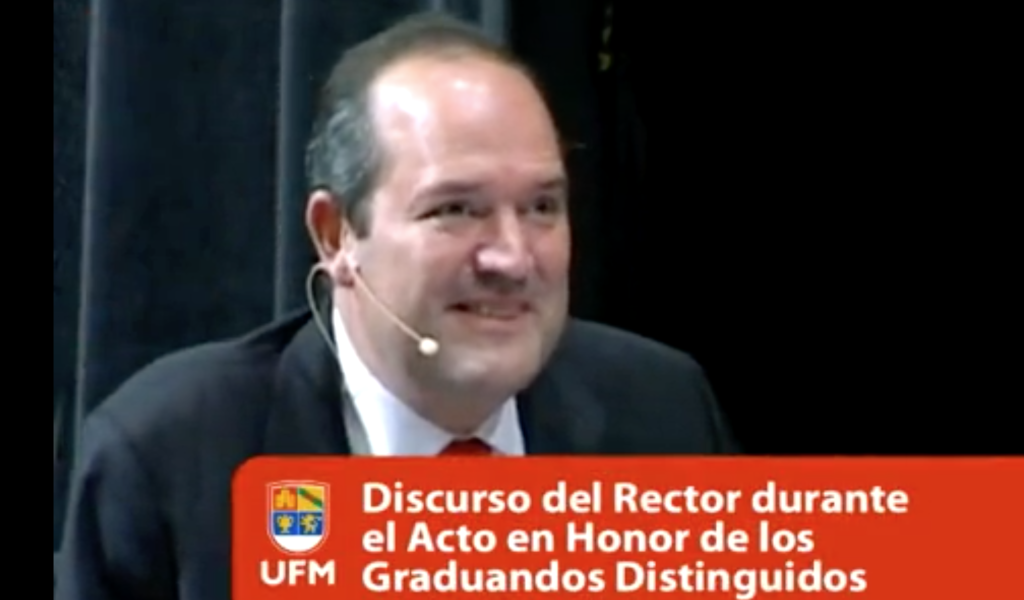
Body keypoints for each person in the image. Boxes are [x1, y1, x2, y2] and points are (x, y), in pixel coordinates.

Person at [55, 11, 739, 600]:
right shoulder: (170, 456)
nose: (512, 257)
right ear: (336, 235)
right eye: (456, 210)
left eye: (541, 207)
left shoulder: (661, 411)